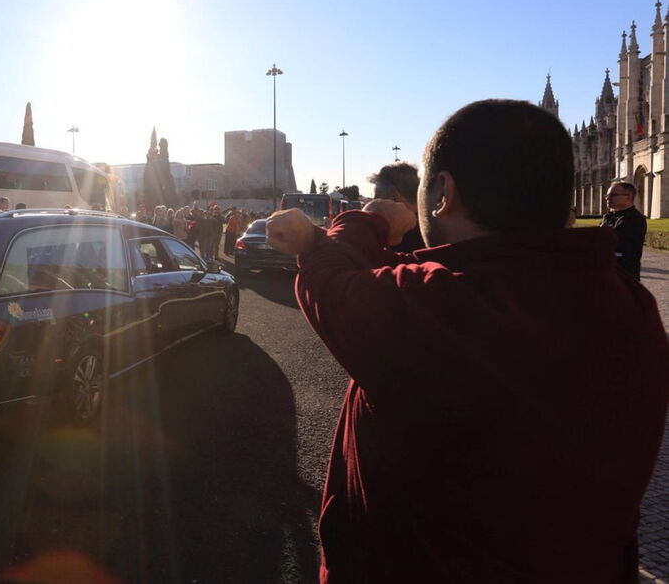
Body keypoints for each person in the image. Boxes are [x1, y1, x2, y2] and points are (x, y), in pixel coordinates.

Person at [266, 99, 669, 583]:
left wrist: (368, 219)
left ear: (442, 192)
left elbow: (329, 288)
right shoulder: (632, 306)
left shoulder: (447, 304)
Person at [367, 162, 425, 251]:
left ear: (394, 197)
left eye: (377, 198)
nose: (373, 202)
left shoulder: (386, 241)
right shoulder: (433, 233)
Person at [600, 181, 647, 280]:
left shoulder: (634, 218)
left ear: (628, 197)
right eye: (607, 195)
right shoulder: (608, 216)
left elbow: (614, 242)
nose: (608, 198)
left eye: (613, 195)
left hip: (624, 274)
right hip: (606, 272)